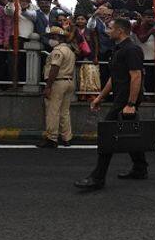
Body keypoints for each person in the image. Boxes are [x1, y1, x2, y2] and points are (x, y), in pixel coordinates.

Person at [75, 18, 148, 190]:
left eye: (110, 28)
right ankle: (140, 168)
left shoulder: (132, 49)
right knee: (131, 133)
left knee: (107, 135)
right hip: (120, 98)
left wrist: (130, 103)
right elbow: (113, 78)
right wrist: (99, 97)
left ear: (120, 31)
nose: (107, 31)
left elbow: (136, 76)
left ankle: (97, 177)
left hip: (125, 100)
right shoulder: (118, 50)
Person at [38, 27, 77, 148]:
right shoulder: (70, 51)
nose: (50, 39)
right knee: (64, 111)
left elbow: (54, 68)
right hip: (69, 82)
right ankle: (67, 137)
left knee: (53, 111)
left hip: (58, 82)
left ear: (58, 38)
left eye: (52, 37)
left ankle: (51, 138)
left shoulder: (57, 51)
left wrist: (48, 86)